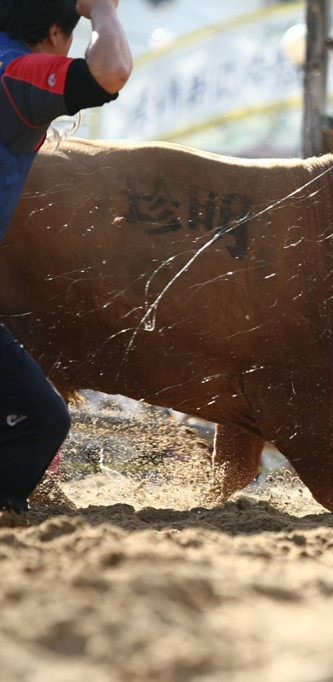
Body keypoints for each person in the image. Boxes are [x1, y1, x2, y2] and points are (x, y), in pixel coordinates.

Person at [0, 0, 131, 512]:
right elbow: (111, 71)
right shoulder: (17, 74)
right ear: (55, 33)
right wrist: (103, 10)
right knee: (42, 418)